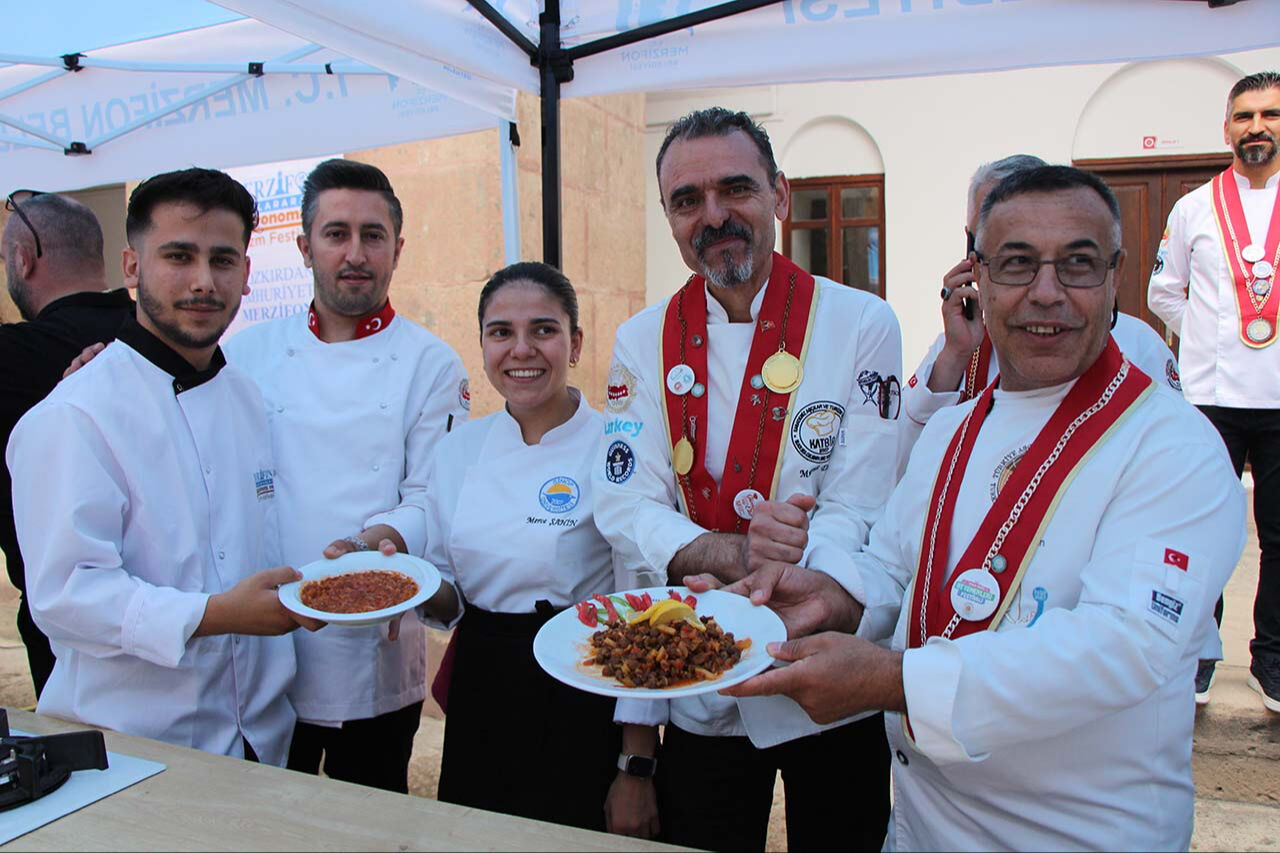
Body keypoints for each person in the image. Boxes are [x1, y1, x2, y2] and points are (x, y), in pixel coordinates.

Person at [709, 166, 1246, 851]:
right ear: (980, 278)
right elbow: (892, 571)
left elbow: (1124, 647)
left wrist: (891, 679)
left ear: (1116, 278)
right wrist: (829, 597)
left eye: (1077, 264)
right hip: (923, 826)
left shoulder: (1173, 444)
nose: (1046, 293)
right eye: (1018, 263)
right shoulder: (950, 430)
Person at [593, 107, 900, 851]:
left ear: (780, 196)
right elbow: (625, 501)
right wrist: (732, 554)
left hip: (824, 665)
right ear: (668, 216)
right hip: (703, 668)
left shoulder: (862, 321)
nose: (714, 215)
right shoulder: (640, 341)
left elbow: (862, 498)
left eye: (736, 188)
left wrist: (785, 582)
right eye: (687, 200)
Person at [7, 168, 320, 764]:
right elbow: (67, 596)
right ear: (131, 268)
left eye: (223, 260)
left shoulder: (249, 399)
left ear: (247, 275)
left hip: (262, 739)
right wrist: (214, 615)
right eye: (179, 256)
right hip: (134, 750)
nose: (203, 281)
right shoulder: (74, 415)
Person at [224, 159, 469, 792]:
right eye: (336, 234)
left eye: (372, 235)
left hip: (376, 638)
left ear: (397, 249)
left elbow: (430, 494)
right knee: (269, 817)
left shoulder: (430, 363)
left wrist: (370, 546)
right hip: (266, 630)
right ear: (305, 247)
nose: (355, 253)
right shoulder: (244, 354)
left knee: (370, 814)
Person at [418, 262, 623, 831]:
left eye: (544, 330)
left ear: (575, 343)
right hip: (484, 680)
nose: (521, 349)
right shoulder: (459, 450)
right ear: (482, 344)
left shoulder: (616, 447)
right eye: (501, 332)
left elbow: (639, 604)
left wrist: (636, 765)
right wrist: (403, 584)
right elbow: (447, 594)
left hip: (582, 679)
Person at [1149, 70, 1280, 712]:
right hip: (1211, 395)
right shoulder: (1193, 207)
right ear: (1226, 127)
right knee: (1205, 530)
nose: (1257, 127)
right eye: (1245, 115)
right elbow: (1161, 291)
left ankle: (1272, 659)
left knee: (1279, 535)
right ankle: (1200, 654)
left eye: (1271, 114)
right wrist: (1207, 334)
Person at [904, 154, 1180, 448]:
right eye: (1011, 258)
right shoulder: (958, 345)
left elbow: (1172, 447)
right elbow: (907, 454)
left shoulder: (1138, 344)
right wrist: (955, 353)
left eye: (1073, 260)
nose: (1044, 293)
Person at [0, 191, 134, 699]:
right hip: (182, 618)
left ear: (23, 259)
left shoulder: (11, 358)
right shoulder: (159, 339)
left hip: (64, 637)